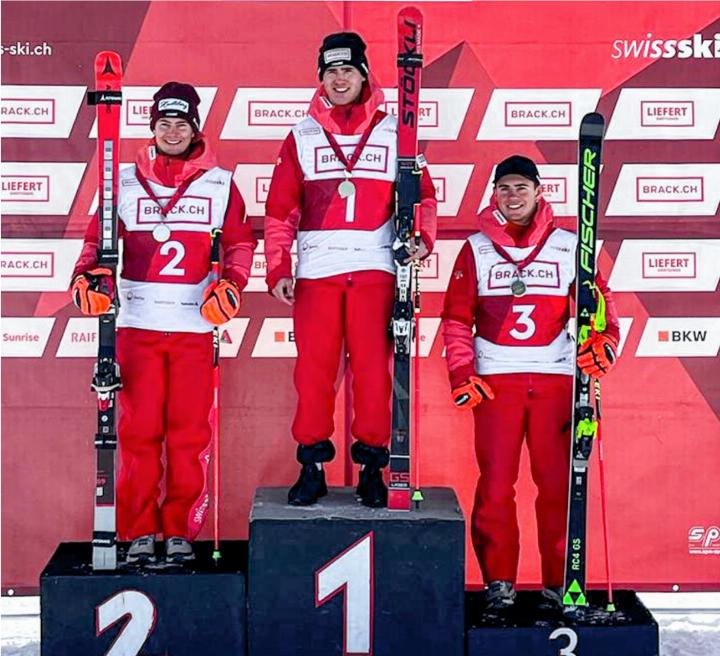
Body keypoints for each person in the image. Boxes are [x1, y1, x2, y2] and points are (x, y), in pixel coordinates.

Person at [71, 82, 257, 563]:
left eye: (181, 123)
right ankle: (138, 531)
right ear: (152, 129)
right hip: (137, 327)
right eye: (163, 123)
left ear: (195, 129)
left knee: (190, 434)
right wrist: (86, 279)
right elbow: (95, 245)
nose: (172, 132)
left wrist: (231, 285)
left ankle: (179, 530)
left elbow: (239, 245)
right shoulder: (123, 181)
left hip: (195, 329)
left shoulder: (219, 183)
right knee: (138, 434)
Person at [264, 32, 437, 508]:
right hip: (318, 273)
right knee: (314, 374)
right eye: (330, 72)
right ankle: (311, 466)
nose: (339, 80)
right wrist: (279, 264)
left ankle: (373, 469)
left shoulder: (396, 130)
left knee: (373, 374)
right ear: (320, 77)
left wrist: (421, 238)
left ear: (364, 74)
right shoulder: (301, 135)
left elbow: (422, 196)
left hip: (375, 270)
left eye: (348, 71)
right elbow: (280, 210)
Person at [441, 155, 620, 609]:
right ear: (494, 196)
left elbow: (602, 310)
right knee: (497, 485)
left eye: (521, 187)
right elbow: (457, 320)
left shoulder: (569, 245)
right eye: (504, 188)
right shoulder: (476, 248)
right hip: (497, 383)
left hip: (556, 379)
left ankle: (559, 583)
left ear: (540, 192)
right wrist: (463, 373)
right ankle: (499, 583)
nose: (513, 195)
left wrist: (603, 345)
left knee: (559, 485)